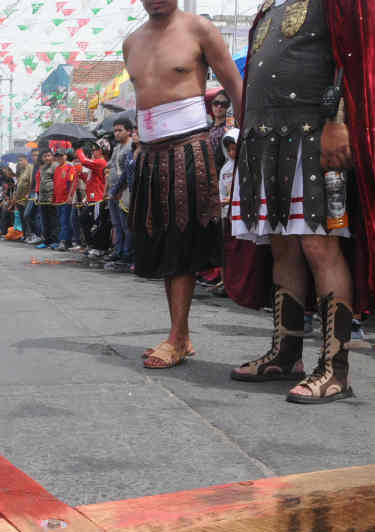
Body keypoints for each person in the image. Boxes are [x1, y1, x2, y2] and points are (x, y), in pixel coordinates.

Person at [228, 0, 375, 403]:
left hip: (314, 136)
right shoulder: (268, 6)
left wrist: (338, 123)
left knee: (320, 246)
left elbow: (352, 62)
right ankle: (285, 354)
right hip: (266, 140)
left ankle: (335, 370)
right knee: (282, 246)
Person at [122, 0, 242, 369]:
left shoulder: (199, 29)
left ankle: (176, 337)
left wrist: (251, 142)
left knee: (184, 242)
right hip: (149, 155)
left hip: (190, 149)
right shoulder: (131, 43)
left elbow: (235, 87)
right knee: (161, 242)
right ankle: (181, 334)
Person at [105, 116, 135, 270]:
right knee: (116, 224)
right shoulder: (116, 148)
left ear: (129, 132)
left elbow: (127, 173)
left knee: (125, 225)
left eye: (119, 130)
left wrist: (120, 190)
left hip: (125, 192)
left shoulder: (131, 148)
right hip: (113, 190)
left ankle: (127, 255)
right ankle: (118, 251)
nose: (116, 133)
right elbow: (109, 167)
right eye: (115, 130)